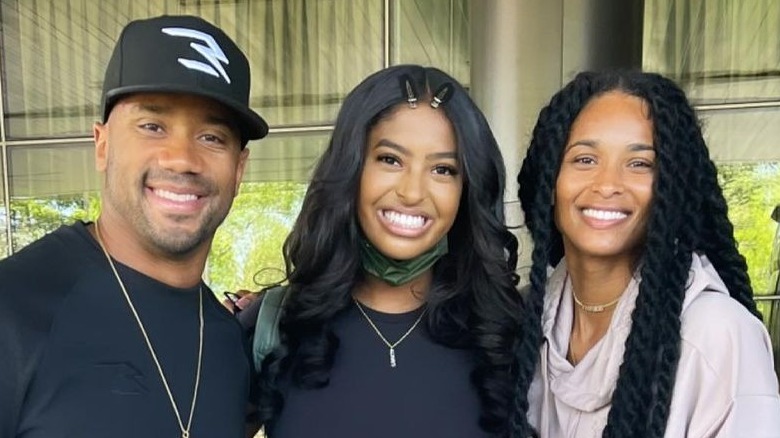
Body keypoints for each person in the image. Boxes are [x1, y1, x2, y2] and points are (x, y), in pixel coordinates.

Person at [0, 15, 268, 438]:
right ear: (102, 145)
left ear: (239, 169)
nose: (181, 158)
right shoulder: (13, 309)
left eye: (212, 137)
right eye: (152, 126)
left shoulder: (226, 344)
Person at [239, 65, 523, 437]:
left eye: (443, 169)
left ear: (466, 190)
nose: (412, 192)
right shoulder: (276, 325)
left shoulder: (505, 335)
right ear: (352, 168)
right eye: (390, 159)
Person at [510, 70, 780, 437]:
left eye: (640, 164)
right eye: (585, 159)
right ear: (549, 181)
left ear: (671, 187)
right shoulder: (521, 320)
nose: (607, 184)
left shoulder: (717, 336)